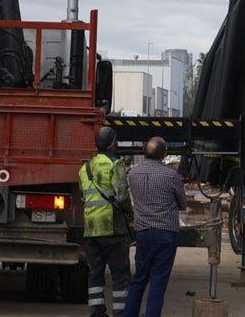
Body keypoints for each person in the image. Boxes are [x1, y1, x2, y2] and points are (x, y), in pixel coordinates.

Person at [123, 136, 187, 317]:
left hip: (142, 233)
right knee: (158, 282)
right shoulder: (171, 175)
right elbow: (182, 204)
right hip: (166, 233)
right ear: (164, 154)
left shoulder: (133, 173)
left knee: (139, 279)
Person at [78, 126, 133, 317]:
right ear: (113, 143)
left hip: (91, 229)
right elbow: (122, 196)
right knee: (120, 275)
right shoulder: (115, 164)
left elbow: (84, 197)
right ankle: (121, 312)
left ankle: (97, 313)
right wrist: (130, 212)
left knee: (95, 274)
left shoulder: (85, 168)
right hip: (113, 228)